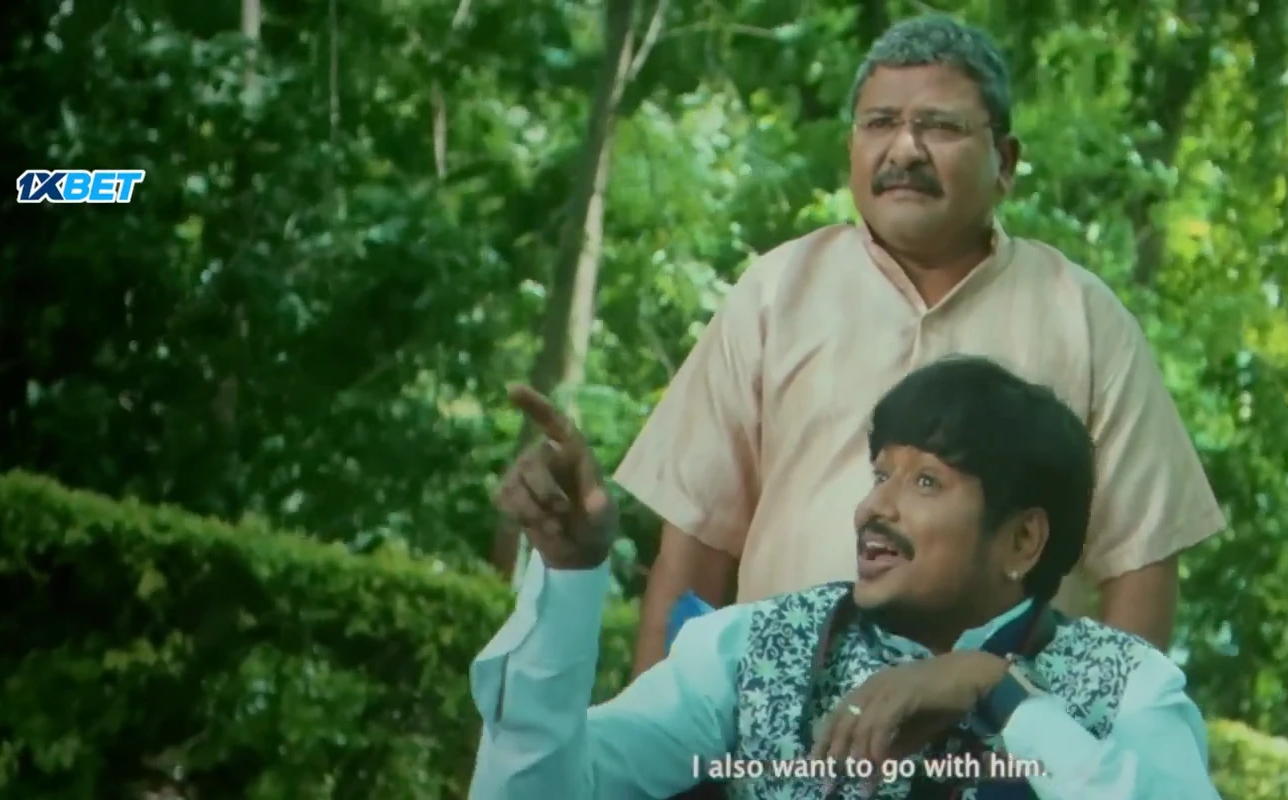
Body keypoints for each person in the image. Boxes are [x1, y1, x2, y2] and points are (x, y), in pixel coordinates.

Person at [610, 14, 1225, 680]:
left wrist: (1098, 734)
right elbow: (694, 548)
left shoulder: (1083, 318)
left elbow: (1141, 564)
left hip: (1003, 729)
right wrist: (655, 736)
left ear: (1006, 162)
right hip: (778, 720)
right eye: (879, 123)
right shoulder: (775, 293)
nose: (904, 149)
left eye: (940, 126)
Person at [471, 357, 1222, 800]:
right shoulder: (750, 650)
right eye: (879, 474)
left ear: (1023, 537)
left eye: (925, 482)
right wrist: (571, 576)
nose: (874, 508)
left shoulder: (1126, 685)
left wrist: (996, 690)